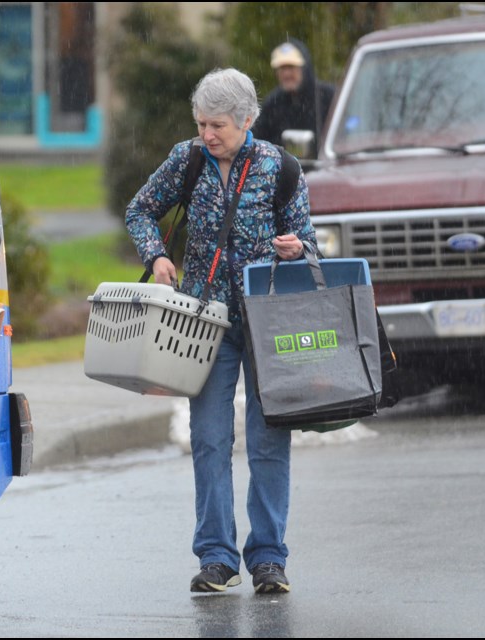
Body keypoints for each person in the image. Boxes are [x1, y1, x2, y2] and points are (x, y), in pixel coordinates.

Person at [124, 68, 317, 594]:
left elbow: (312, 245)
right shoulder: (186, 160)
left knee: (268, 442)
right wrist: (157, 254)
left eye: (218, 126)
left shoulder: (282, 169)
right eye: (202, 123)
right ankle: (216, 556)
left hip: (267, 323)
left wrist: (297, 250)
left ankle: (269, 558)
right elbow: (139, 210)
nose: (208, 135)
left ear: (247, 120)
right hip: (202, 325)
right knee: (209, 440)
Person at [251, 39, 335, 152]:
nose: (286, 74)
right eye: (282, 68)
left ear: (305, 68)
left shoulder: (329, 96)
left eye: (291, 67)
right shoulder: (272, 103)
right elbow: (258, 141)